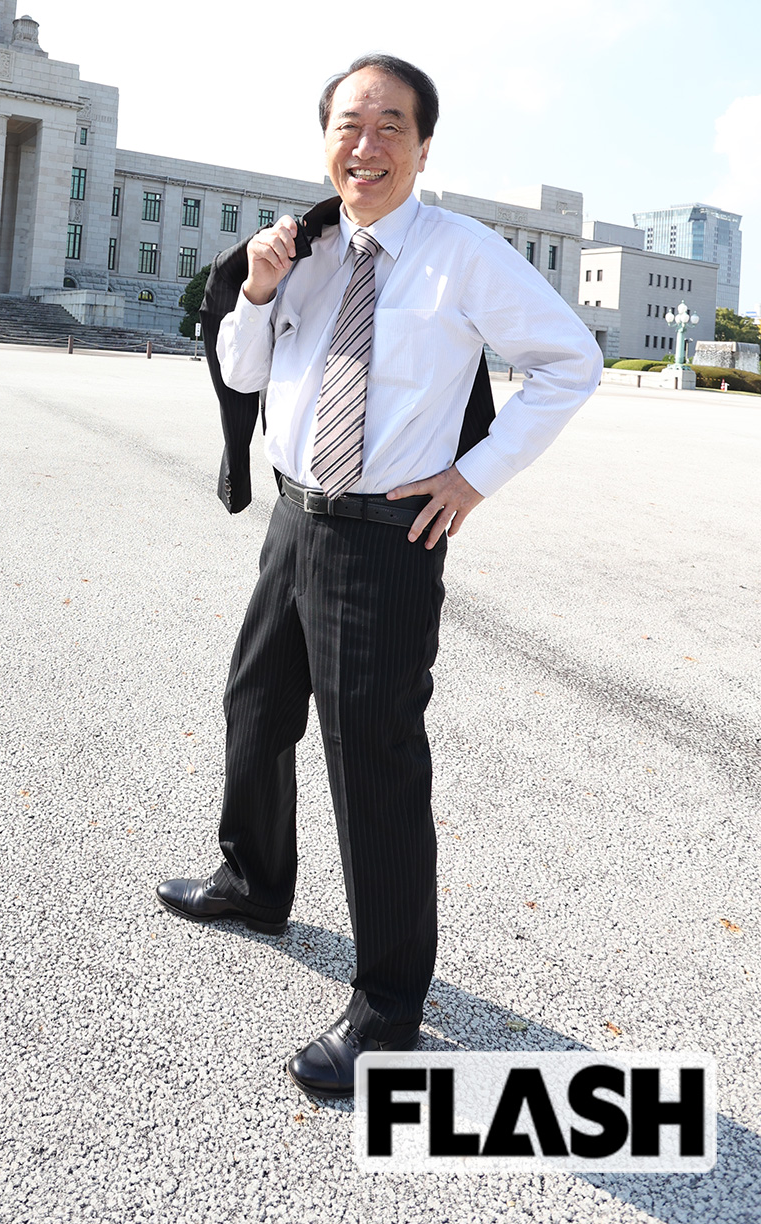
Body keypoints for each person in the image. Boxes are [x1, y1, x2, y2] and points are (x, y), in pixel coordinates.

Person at [156, 54, 603, 1100]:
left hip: (387, 538)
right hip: (296, 518)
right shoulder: (299, 252)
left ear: (424, 146)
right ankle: (255, 879)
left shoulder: (465, 255)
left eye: (391, 126)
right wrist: (258, 295)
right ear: (327, 141)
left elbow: (568, 361)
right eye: (349, 125)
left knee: (375, 765)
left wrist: (475, 477)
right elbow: (245, 372)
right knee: (255, 706)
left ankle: (389, 1009)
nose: (367, 145)